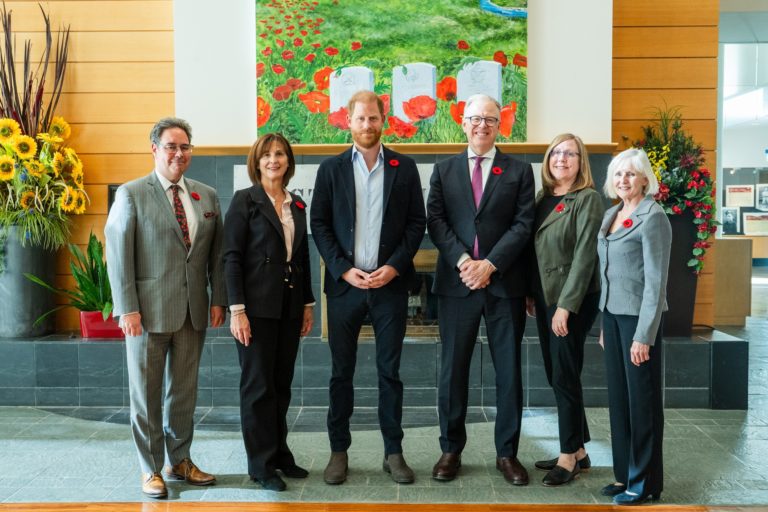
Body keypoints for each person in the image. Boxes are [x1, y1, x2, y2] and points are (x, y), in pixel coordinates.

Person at [105, 117, 226, 499]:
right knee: (146, 394)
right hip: (146, 315)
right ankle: (149, 468)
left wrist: (218, 298)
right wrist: (127, 309)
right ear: (154, 149)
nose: (179, 153)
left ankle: (179, 460)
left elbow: (216, 256)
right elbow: (118, 253)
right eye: (171, 146)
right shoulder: (131, 193)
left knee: (183, 393)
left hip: (193, 311)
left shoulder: (206, 195)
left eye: (185, 146)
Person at [310, 90, 426, 485]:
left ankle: (393, 452)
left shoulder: (404, 167)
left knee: (389, 373)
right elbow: (320, 226)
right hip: (345, 288)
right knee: (341, 374)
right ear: (348, 121)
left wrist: (394, 267)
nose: (367, 125)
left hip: (389, 287)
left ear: (383, 120)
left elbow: (416, 225)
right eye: (360, 119)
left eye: (373, 118)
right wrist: (344, 270)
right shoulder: (331, 170)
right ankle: (338, 451)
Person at [426, 93, 535, 485]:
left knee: (509, 373)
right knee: (453, 371)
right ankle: (450, 449)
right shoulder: (443, 170)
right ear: (463, 122)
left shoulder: (520, 171)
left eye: (490, 119)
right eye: (475, 118)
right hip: (457, 285)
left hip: (504, 285)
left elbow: (523, 225)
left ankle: (507, 454)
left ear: (500, 124)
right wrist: (463, 262)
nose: (482, 125)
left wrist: (490, 264)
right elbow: (435, 221)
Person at [223, 133, 314, 492]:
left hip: (289, 307)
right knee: (258, 387)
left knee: (281, 385)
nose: (273, 160)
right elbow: (230, 256)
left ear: (288, 161)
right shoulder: (245, 201)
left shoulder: (298, 205)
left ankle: (279, 454)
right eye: (266, 155)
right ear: (257, 162)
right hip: (255, 308)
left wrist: (307, 305)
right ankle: (260, 465)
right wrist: (237, 310)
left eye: (280, 154)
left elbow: (303, 257)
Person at [526, 134, 603, 486]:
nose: (562, 159)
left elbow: (586, 255)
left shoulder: (586, 199)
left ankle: (568, 456)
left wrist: (565, 308)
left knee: (564, 375)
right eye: (556, 152)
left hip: (572, 300)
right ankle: (581, 450)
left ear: (581, 161)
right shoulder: (543, 197)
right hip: (545, 298)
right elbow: (535, 251)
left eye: (570, 153)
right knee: (559, 371)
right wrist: (532, 294)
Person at [597, 148, 670, 505]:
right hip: (612, 316)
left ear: (644, 179)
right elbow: (608, 273)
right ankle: (625, 474)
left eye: (630, 174)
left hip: (638, 321)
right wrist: (603, 322)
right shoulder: (612, 213)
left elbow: (656, 283)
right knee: (619, 401)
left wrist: (644, 335)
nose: (623, 180)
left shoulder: (653, 217)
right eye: (618, 174)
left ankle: (644, 481)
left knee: (642, 402)